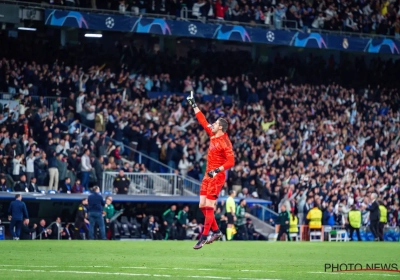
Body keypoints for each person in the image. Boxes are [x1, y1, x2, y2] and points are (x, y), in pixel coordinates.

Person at [187, 92, 235, 249]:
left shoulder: (225, 142)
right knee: (202, 205)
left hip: (217, 176)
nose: (211, 125)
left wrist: (217, 171)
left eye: (214, 124)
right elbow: (202, 121)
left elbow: (231, 161)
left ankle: (204, 236)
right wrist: (194, 105)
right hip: (208, 175)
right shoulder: (213, 135)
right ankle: (216, 231)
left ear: (220, 127)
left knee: (208, 206)